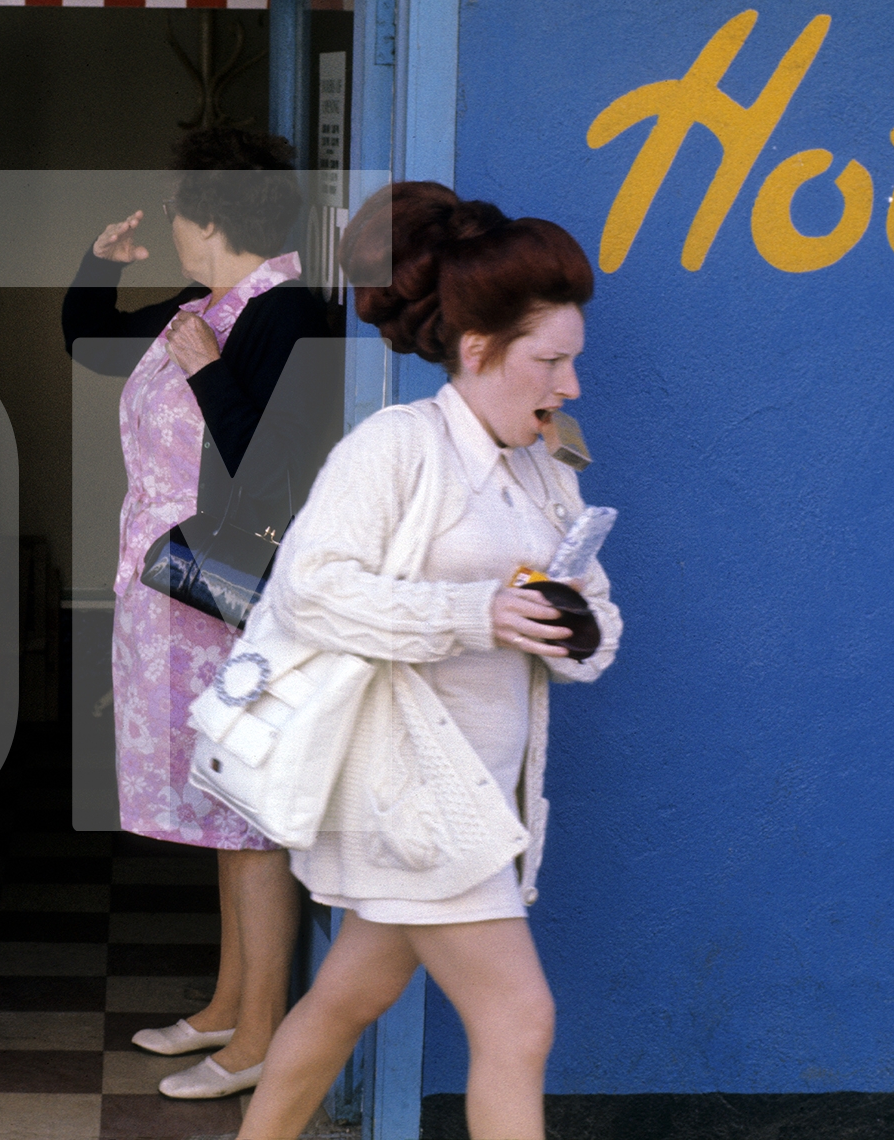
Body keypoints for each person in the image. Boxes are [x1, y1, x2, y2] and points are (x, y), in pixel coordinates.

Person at [235, 182, 623, 1140]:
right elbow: (311, 588)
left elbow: (597, 616)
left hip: (483, 791)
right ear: (479, 349)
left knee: (342, 1002)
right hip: (414, 791)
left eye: (573, 359)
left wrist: (575, 633)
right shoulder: (397, 447)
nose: (570, 385)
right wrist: (475, 614)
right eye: (551, 361)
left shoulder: (547, 464)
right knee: (519, 1020)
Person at [62, 127, 340, 1101]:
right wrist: (103, 259)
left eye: (181, 206)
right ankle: (228, 1003)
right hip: (177, 600)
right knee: (222, 808)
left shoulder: (290, 315)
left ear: (211, 219)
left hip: (235, 607)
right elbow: (87, 338)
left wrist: (209, 370)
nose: (173, 221)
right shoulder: (204, 307)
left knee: (251, 818)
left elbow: (276, 473)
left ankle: (261, 1035)